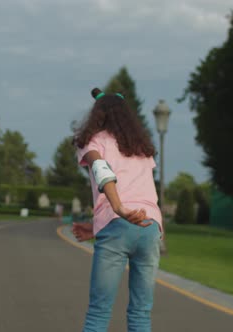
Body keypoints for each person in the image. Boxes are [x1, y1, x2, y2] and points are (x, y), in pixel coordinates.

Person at [72, 88, 163, 332]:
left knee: (99, 312)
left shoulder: (94, 142)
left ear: (97, 115)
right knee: (141, 313)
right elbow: (141, 191)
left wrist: (118, 208)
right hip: (150, 228)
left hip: (118, 224)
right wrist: (96, 226)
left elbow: (101, 167)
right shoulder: (142, 148)